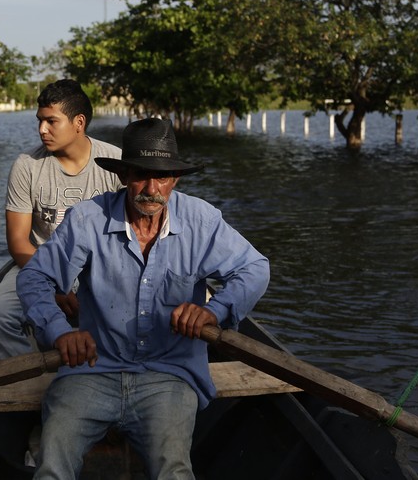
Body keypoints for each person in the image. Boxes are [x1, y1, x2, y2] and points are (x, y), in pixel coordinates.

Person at [17, 118, 270, 479]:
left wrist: (214, 311)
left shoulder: (202, 221)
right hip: (94, 371)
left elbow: (255, 269)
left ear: (176, 179)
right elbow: (35, 278)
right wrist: (59, 332)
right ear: (123, 176)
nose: (152, 188)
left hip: (170, 375)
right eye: (141, 175)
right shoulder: (88, 219)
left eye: (163, 177)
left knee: (174, 470)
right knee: (52, 463)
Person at [0, 79, 122, 359]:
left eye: (51, 121)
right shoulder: (27, 166)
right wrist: (54, 283)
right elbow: (19, 242)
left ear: (78, 122)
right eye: (40, 121)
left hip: (100, 265)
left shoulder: (115, 163)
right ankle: (30, 382)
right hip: (39, 264)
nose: (42, 130)